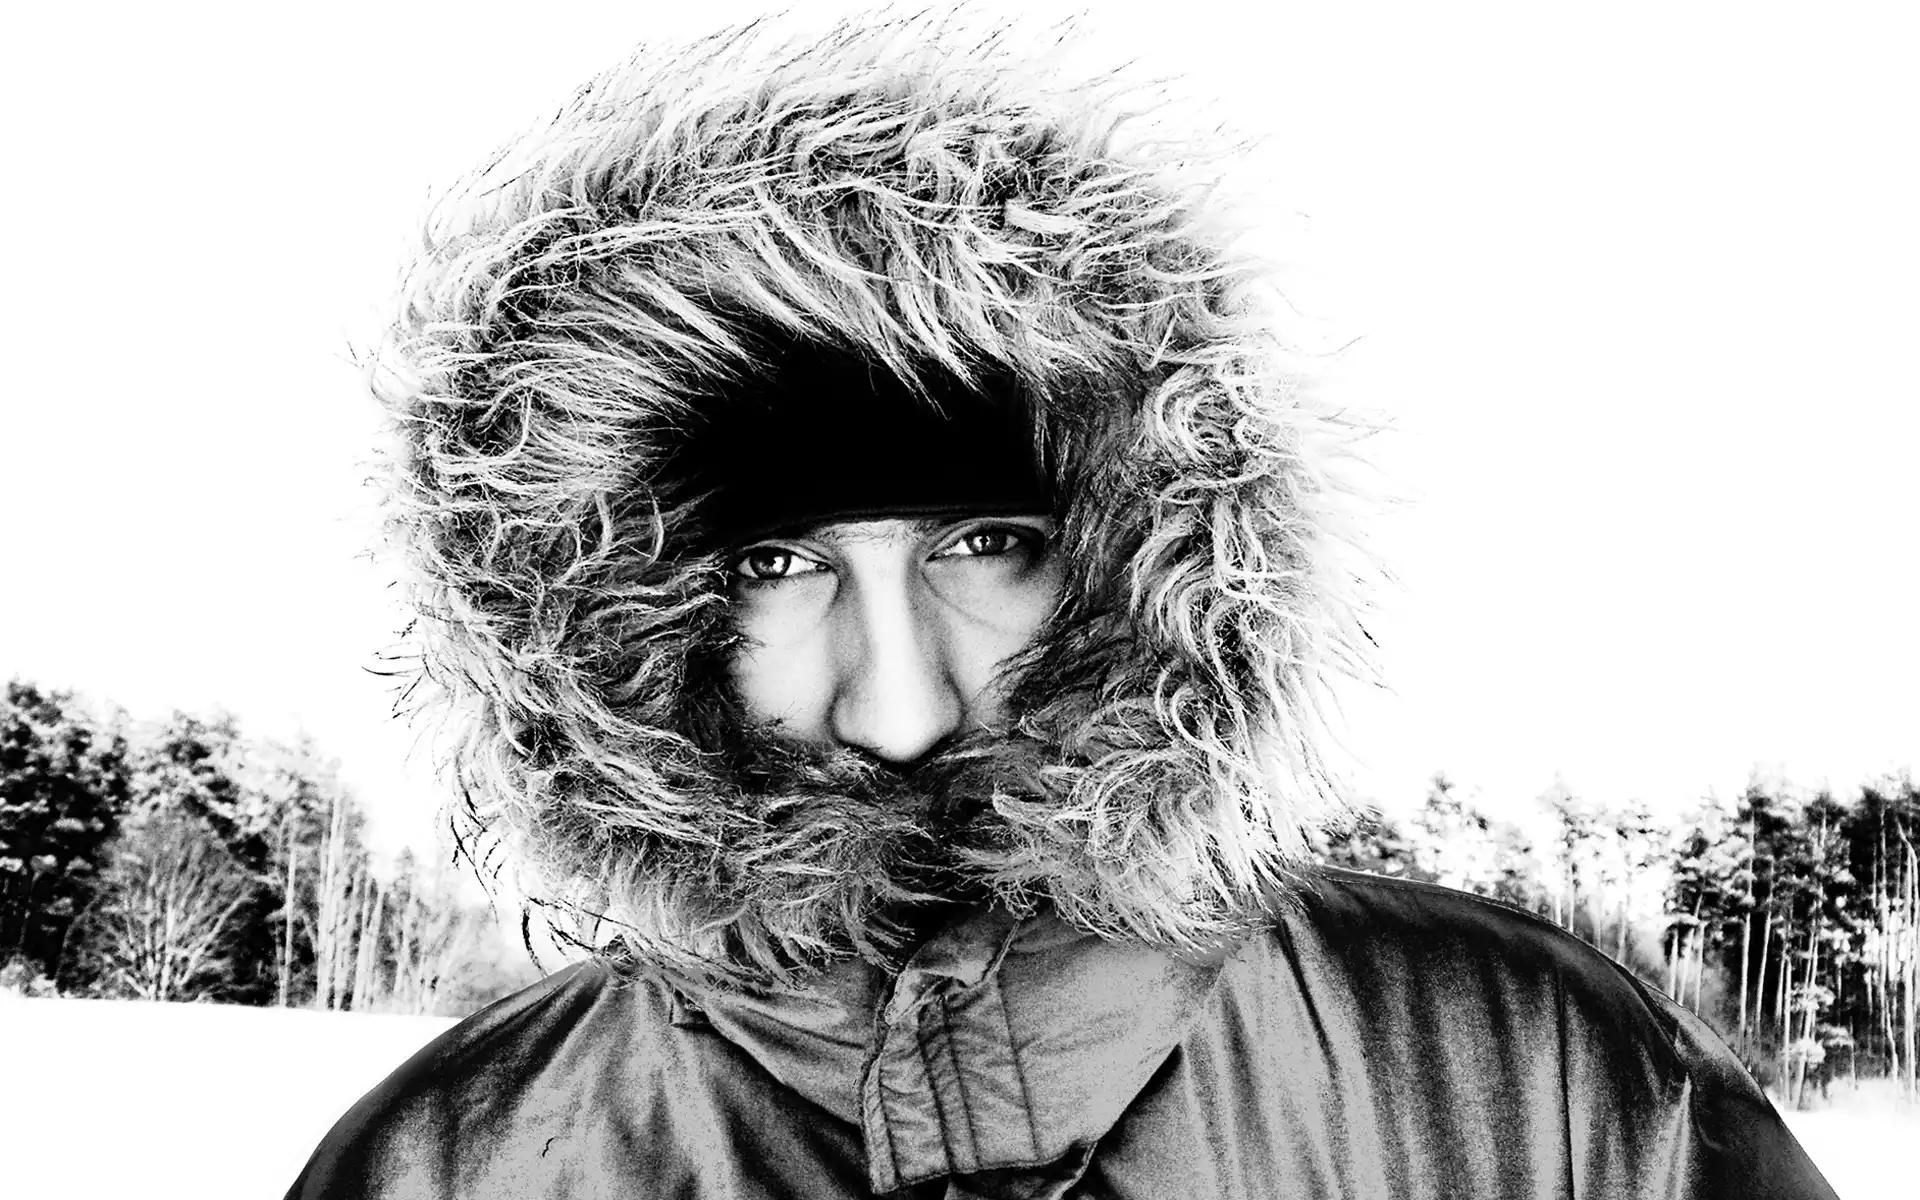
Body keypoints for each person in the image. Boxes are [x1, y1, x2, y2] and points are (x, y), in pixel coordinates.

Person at [288, 11, 1838, 1198]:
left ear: (1141, 556)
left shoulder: (1539, 1084)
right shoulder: (456, 1165)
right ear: (613, 618)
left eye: (983, 546)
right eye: (779, 565)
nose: (898, 701)